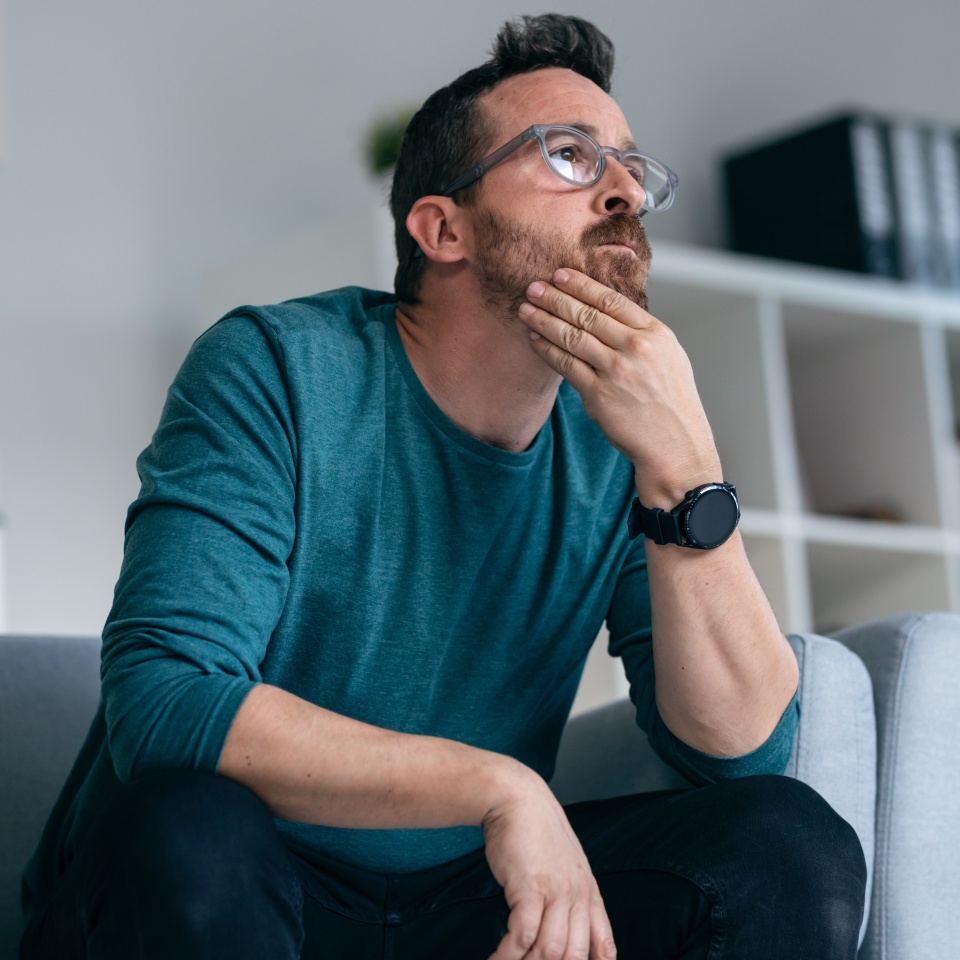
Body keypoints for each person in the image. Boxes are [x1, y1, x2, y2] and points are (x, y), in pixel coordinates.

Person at [20, 13, 866, 960]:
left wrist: (686, 472)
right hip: (225, 885)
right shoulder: (274, 367)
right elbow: (167, 706)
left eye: (630, 166)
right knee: (190, 826)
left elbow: (741, 752)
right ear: (443, 226)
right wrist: (500, 789)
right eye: (570, 155)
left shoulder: (616, 444)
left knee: (789, 846)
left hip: (459, 910)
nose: (625, 188)